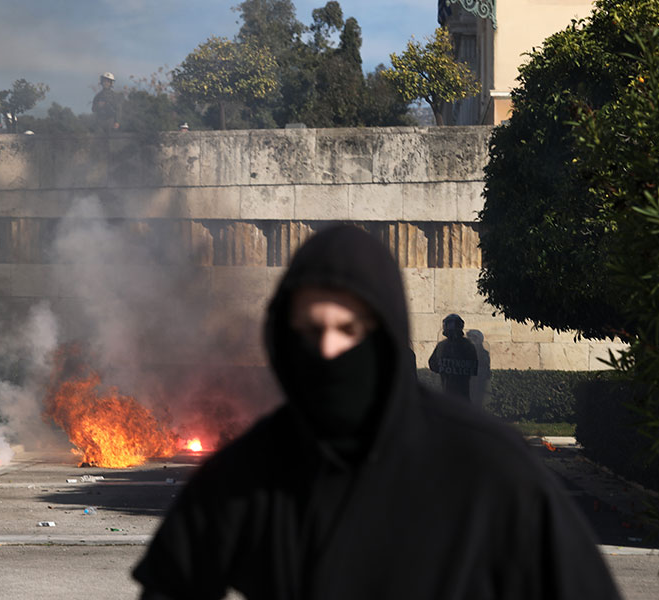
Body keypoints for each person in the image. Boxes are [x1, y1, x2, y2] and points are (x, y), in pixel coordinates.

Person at [132, 225, 622, 600]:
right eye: (309, 327)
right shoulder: (253, 470)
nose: (326, 348)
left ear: (382, 334)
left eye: (347, 328)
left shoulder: (486, 464)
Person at [428, 313, 478, 401]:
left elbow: (433, 364)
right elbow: (433, 364)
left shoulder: (443, 345)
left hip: (458, 391)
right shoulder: (468, 345)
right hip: (452, 390)